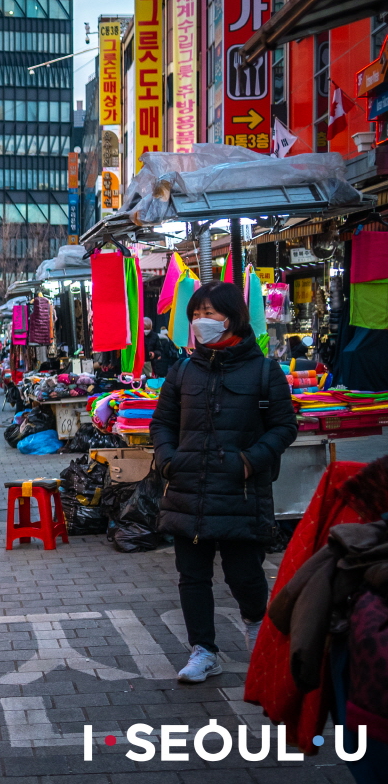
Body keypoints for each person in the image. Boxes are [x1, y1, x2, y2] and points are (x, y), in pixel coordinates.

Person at [150, 280, 297, 683]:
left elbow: (284, 427)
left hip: (239, 492)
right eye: (195, 315)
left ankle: (256, 626)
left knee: (244, 575)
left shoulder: (265, 371)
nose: (200, 321)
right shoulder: (182, 370)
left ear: (232, 318)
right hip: (187, 491)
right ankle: (203, 650)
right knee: (192, 576)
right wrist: (167, 461)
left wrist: (251, 461)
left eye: (209, 314)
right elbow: (162, 424)